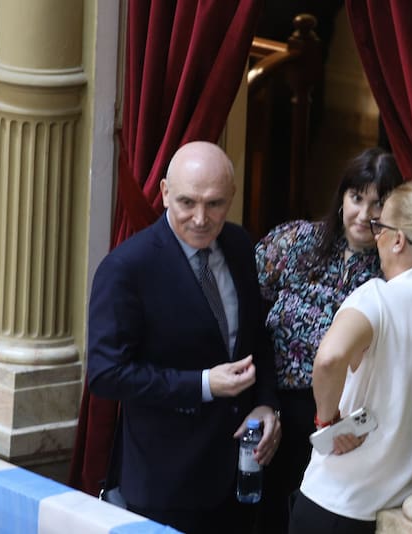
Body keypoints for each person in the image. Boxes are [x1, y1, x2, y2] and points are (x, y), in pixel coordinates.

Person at [87, 141, 282, 534]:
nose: (200, 218)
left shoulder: (240, 245)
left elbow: (257, 341)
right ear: (163, 194)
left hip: (238, 481)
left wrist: (266, 406)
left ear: (231, 198)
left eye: (214, 204)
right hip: (165, 487)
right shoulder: (127, 268)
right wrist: (205, 384)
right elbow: (106, 373)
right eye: (187, 202)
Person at [254, 147, 402, 532]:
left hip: (343, 423)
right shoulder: (294, 243)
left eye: (378, 203)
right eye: (357, 198)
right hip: (276, 407)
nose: (365, 214)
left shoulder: (393, 273)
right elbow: (249, 312)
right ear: (342, 198)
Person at [289, 181, 412, 534]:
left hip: (336, 500)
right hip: (397, 509)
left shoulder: (376, 297)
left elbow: (329, 358)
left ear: (397, 239)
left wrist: (327, 421)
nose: (375, 237)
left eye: (379, 227)